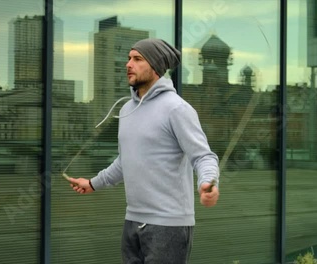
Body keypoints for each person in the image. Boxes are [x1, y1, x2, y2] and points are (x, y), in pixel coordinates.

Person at [67, 38, 220, 264]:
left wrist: (207, 182)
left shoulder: (177, 109)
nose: (128, 64)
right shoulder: (128, 109)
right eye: (129, 58)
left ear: (156, 67)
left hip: (168, 225)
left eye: (137, 59)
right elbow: (124, 161)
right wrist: (92, 184)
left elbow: (203, 156)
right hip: (132, 221)